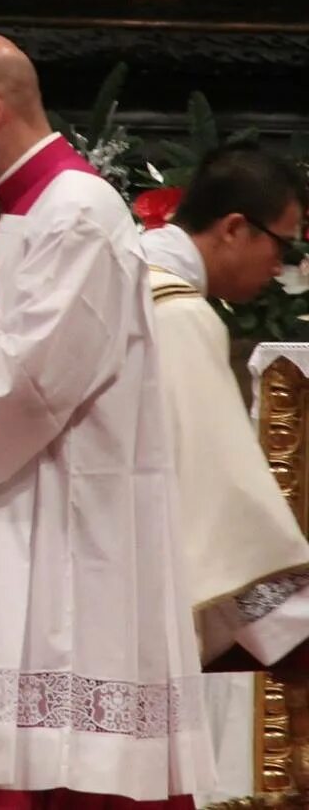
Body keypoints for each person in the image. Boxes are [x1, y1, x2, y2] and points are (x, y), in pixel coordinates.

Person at [0, 32, 212, 810]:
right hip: (37, 516)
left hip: (74, 541)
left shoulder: (76, 213)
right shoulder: (39, 210)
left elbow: (30, 392)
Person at [145, 146, 309, 663]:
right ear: (235, 228)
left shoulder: (125, 275)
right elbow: (217, 487)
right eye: (282, 244)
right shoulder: (177, 313)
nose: (280, 265)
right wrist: (291, 622)